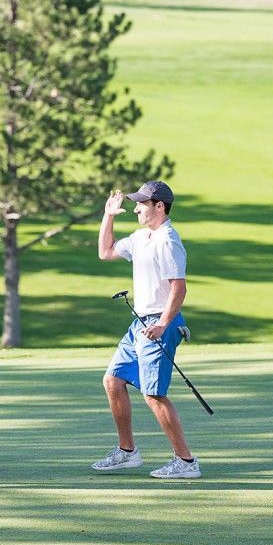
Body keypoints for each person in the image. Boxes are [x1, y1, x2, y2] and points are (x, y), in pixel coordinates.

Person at [91, 180, 201, 479]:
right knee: (113, 381)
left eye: (142, 203)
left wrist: (164, 323)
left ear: (159, 207)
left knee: (153, 394)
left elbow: (179, 288)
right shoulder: (142, 237)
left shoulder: (168, 240)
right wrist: (108, 215)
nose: (136, 207)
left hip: (159, 323)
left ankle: (186, 462)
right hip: (139, 323)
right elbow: (106, 252)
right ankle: (127, 452)